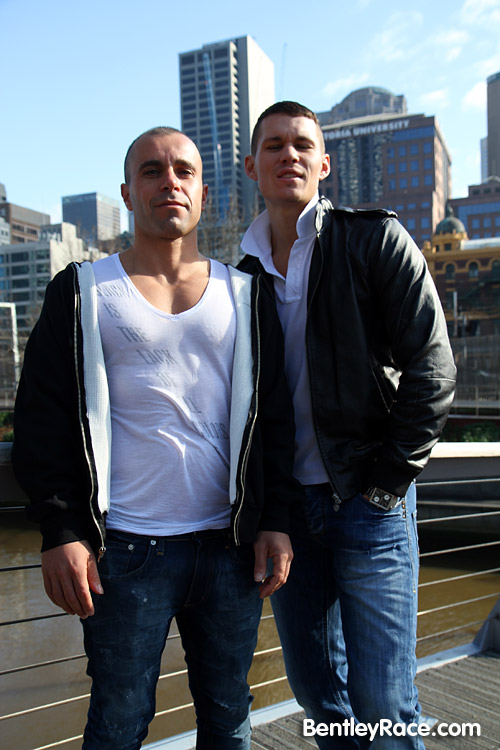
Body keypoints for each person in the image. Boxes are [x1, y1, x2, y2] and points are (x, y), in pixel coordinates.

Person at [12, 126, 303, 750]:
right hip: (122, 553)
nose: (169, 182)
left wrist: (276, 520)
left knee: (229, 717)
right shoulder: (83, 290)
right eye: (151, 170)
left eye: (183, 171)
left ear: (202, 191)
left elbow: (274, 420)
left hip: (230, 548)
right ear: (127, 192)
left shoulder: (246, 292)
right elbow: (41, 417)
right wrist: (60, 530)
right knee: (118, 724)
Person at [239, 101, 457, 749]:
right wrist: (266, 511)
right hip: (289, 517)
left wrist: (386, 486)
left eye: (303, 144)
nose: (289, 154)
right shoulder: (239, 277)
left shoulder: (373, 239)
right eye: (274, 145)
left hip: (369, 502)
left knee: (385, 703)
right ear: (252, 166)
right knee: (318, 694)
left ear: (325, 164)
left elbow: (433, 368)